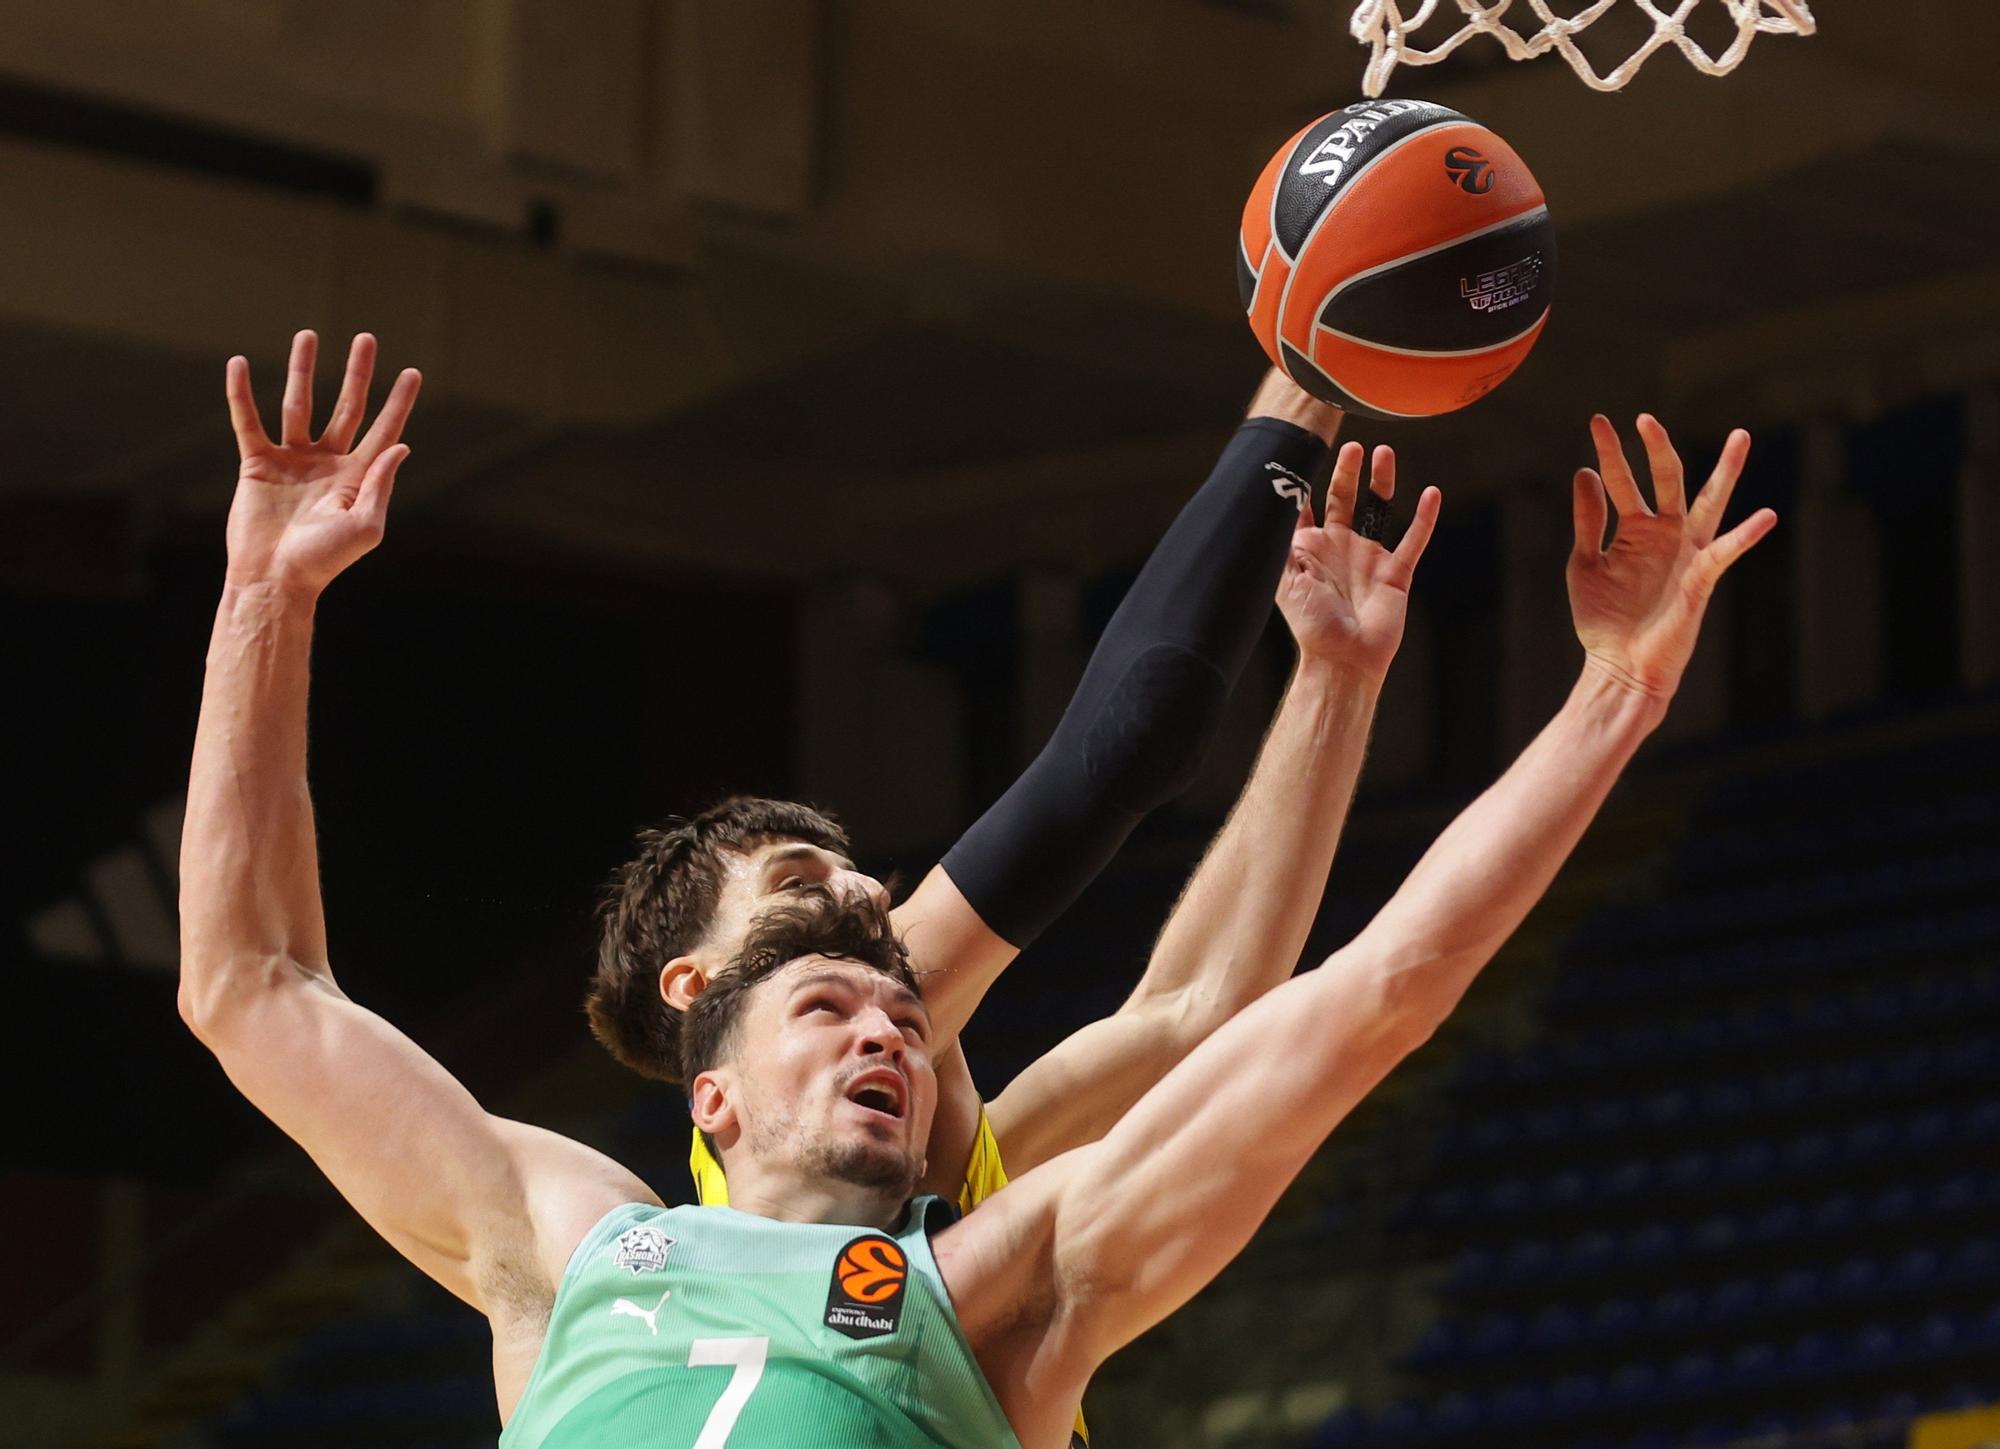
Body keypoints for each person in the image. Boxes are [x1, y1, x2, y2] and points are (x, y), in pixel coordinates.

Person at [180, 329, 1775, 1445]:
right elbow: (250, 985)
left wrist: (1611, 694)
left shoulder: (994, 1262)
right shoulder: (580, 1239)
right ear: (706, 1060)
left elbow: (1339, 998)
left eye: (895, 987)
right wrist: (264, 589)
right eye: (820, 946)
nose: (887, 961)